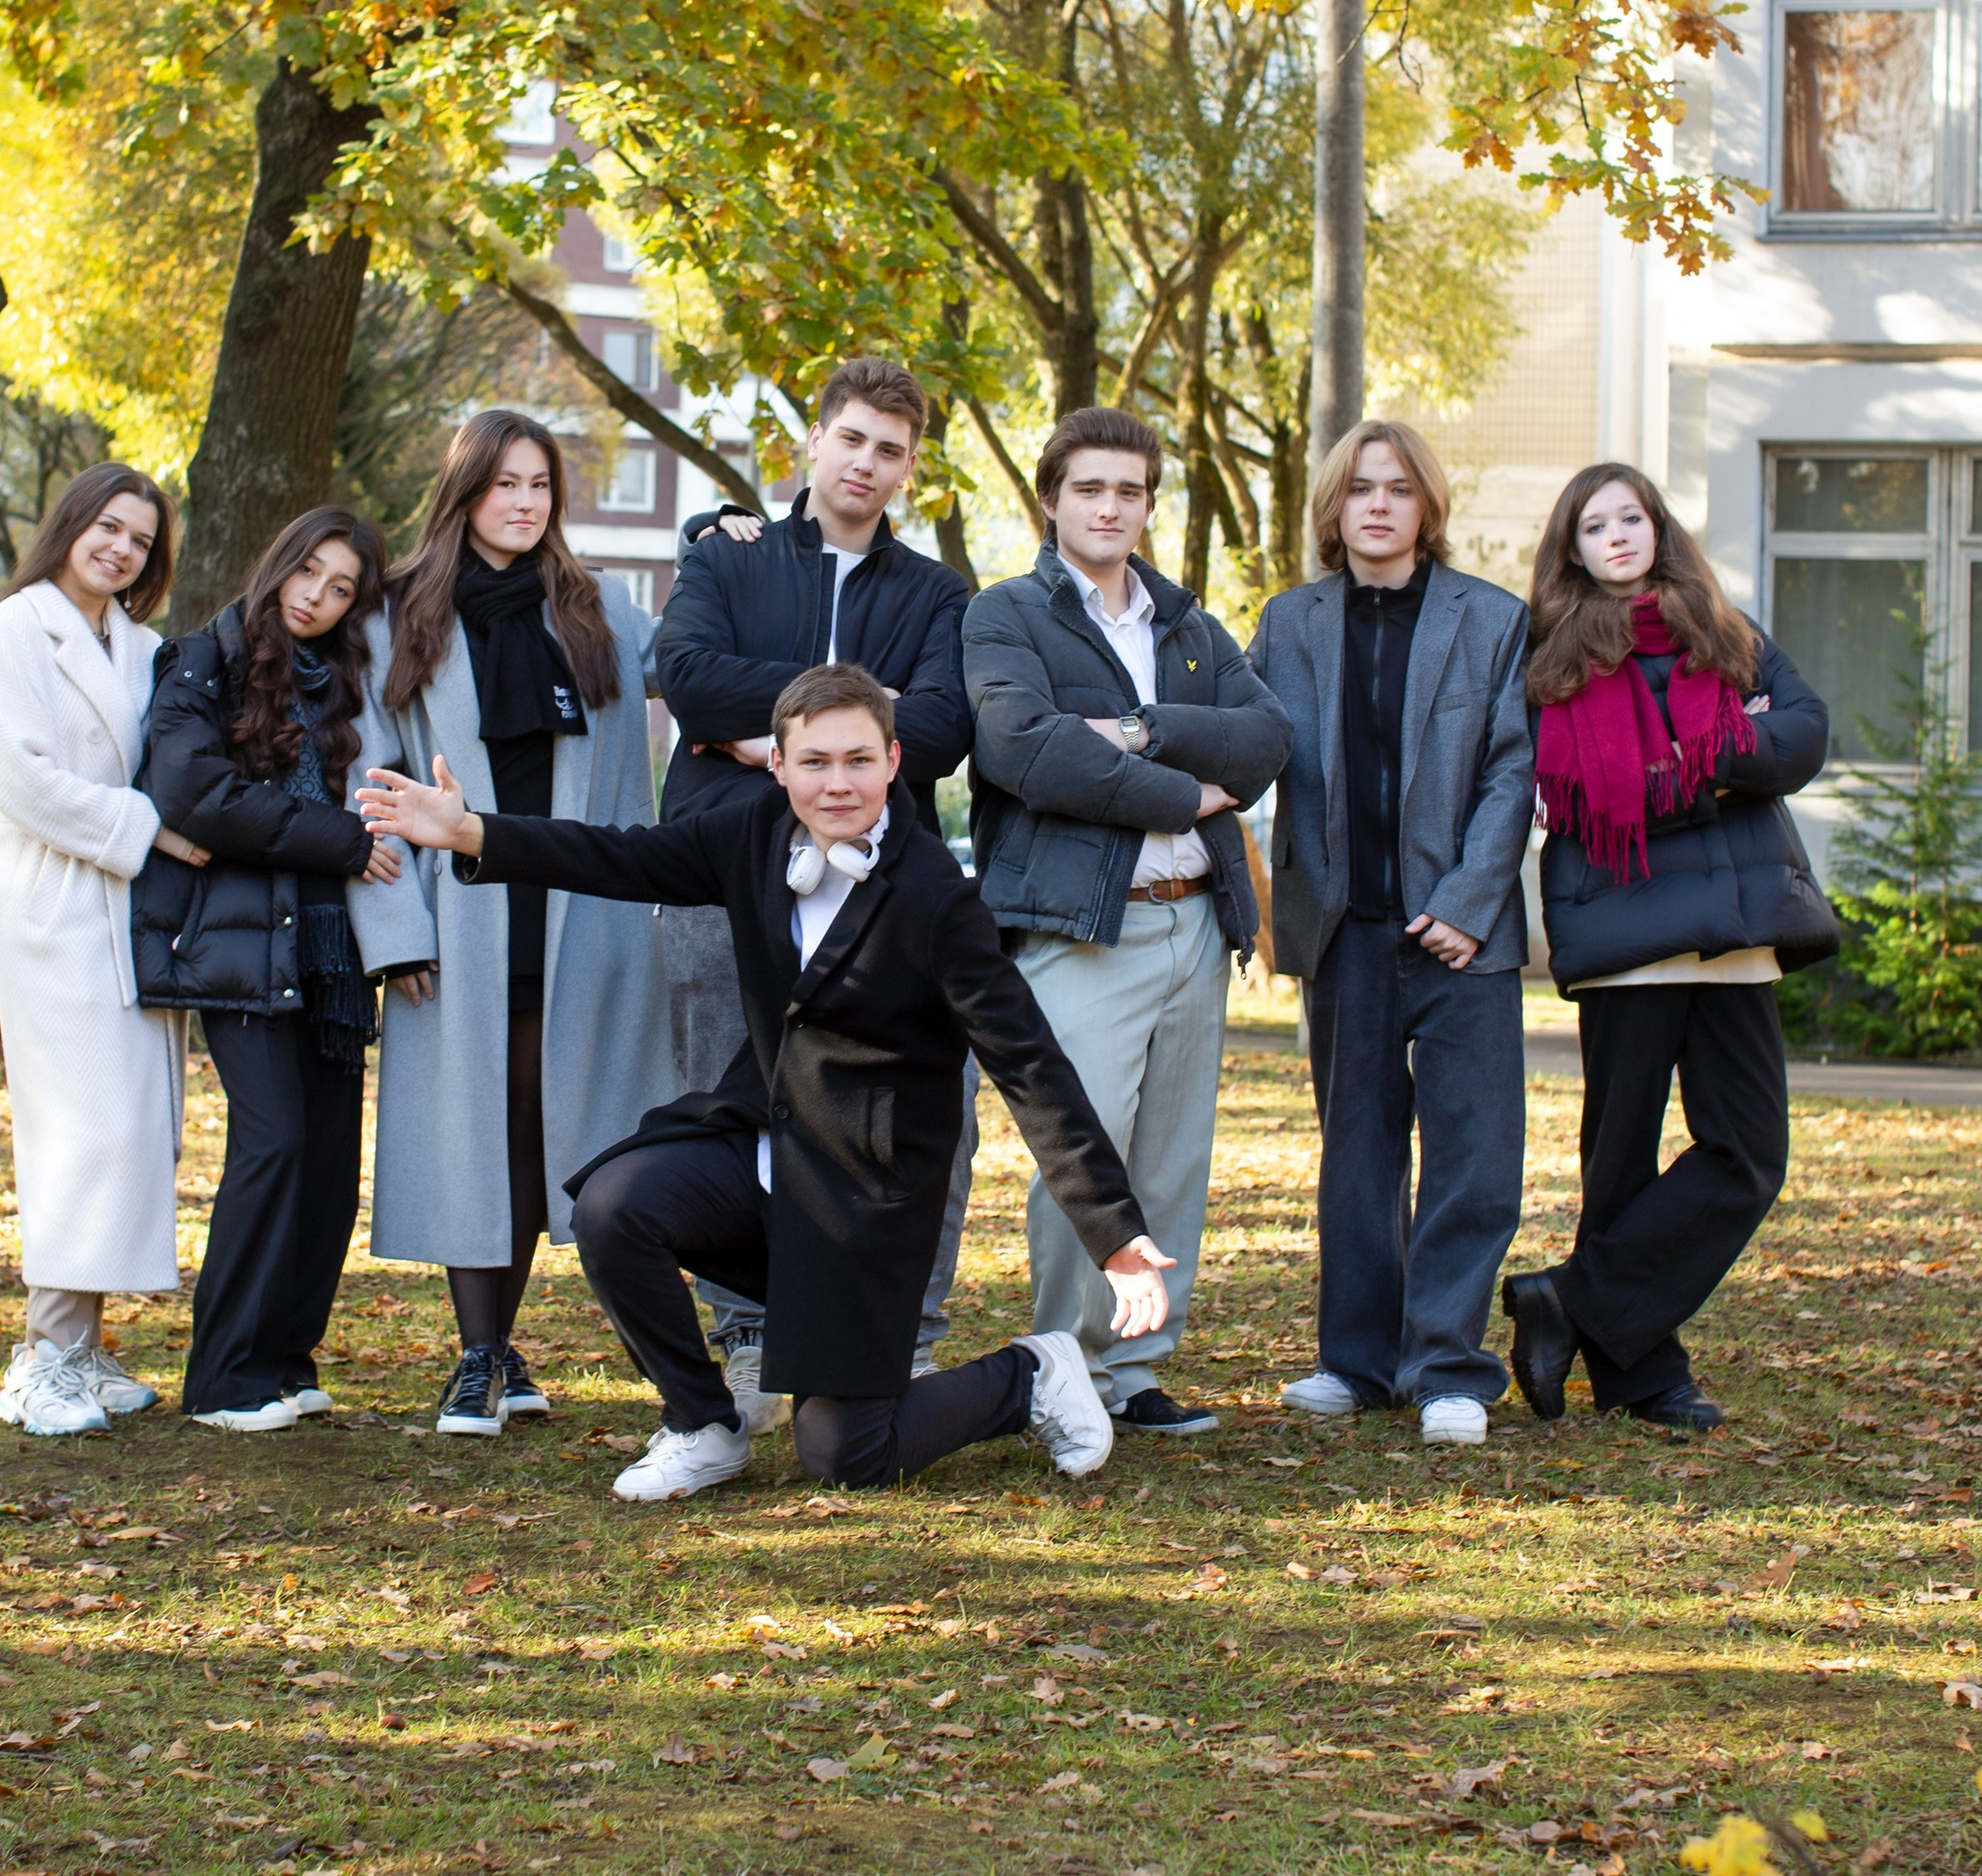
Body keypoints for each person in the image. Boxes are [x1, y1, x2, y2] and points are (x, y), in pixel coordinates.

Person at [357, 663, 1177, 1502]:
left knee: (848, 1454)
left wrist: (1112, 1235)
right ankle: (702, 1423)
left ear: (895, 763)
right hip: (757, 1150)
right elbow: (619, 858)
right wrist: (469, 833)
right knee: (613, 1206)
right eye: (814, 762)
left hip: (864, 1203)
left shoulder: (937, 896)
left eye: (859, 760)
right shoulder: (747, 834)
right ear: (777, 765)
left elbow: (1029, 1064)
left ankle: (1029, 1376)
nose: (837, 784)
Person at [656, 356, 975, 1416]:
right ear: (815, 443)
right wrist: (849, 714)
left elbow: (938, 730)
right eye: (852, 439)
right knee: (723, 1107)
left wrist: (769, 734)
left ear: (908, 469)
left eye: (890, 450)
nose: (866, 463)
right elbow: (685, 673)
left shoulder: (936, 591)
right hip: (724, 872)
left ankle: (903, 1335)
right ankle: (748, 1336)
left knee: (903, 1112)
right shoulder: (730, 555)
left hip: (877, 897)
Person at [346, 411, 674, 1435]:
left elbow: (699, 667)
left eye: (540, 484)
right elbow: (368, 785)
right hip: (459, 915)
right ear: (464, 492)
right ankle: (478, 1355)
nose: (525, 502)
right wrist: (393, 931)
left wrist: (722, 542)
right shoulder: (396, 618)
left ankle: (502, 1344)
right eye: (504, 484)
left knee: (540, 1124)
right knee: (472, 1124)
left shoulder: (599, 610)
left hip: (580, 909)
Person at [965, 407, 1291, 1435]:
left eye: (1130, 490)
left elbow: (1266, 738)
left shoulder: (1188, 628)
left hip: (1194, 922)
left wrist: (1143, 731)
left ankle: (1137, 1369)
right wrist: (1176, 791)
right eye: (1090, 488)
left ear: (1151, 504)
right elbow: (1025, 751)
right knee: (1085, 1152)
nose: (1111, 506)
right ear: (1051, 498)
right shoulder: (1005, 614)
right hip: (1080, 924)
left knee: (1170, 1160)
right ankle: (1061, 1370)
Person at [1499, 463, 1834, 1432]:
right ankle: (1643, 1377)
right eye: (1593, 524)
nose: (1615, 535)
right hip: (1627, 937)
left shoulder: (1724, 631)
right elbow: (1582, 797)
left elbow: (1806, 734)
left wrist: (1698, 761)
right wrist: (1731, 761)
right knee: (1621, 1160)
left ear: (1657, 528)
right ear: (1571, 547)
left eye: (1630, 517)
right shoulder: (1554, 656)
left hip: (1734, 935)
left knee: (1748, 1152)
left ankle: (1567, 1301)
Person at [1248, 422, 1535, 1446]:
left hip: (1459, 935)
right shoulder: (1286, 624)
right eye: (1360, 488)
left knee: (1473, 1153)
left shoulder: (1492, 619)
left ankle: (1449, 1368)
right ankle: (1357, 1362)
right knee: (1357, 1154)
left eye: (1399, 489)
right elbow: (1245, 750)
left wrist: (1467, 901)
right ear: (1333, 507)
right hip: (1342, 930)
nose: (1378, 504)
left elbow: (1513, 769)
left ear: (1427, 507)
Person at [133, 508, 399, 1431]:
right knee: (274, 1140)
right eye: (308, 574)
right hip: (238, 943)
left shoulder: (342, 687)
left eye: (341, 590)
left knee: (328, 1160)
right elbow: (197, 795)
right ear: (276, 561)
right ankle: (221, 1376)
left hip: (327, 952)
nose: (317, 600)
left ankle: (285, 1357)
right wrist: (344, 840)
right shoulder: (201, 661)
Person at [0, 463, 197, 1437]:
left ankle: (84, 1347)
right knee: (79, 1123)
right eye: (107, 527)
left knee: (136, 1122)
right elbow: (24, 780)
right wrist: (154, 828)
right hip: (52, 891)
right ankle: (41, 1355)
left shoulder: (141, 646)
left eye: (139, 540)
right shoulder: (13, 628)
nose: (121, 549)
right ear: (70, 524)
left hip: (127, 899)